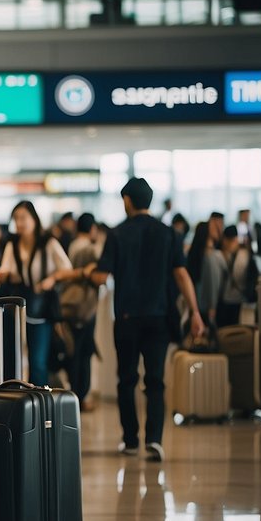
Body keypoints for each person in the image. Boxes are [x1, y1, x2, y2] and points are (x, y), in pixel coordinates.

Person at [88, 177, 204, 462]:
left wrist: (87, 274)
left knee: (126, 379)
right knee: (155, 380)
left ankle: (130, 440)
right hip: (159, 317)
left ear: (127, 200)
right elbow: (181, 274)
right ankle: (155, 440)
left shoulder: (117, 234)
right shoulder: (169, 234)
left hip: (127, 317)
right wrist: (196, 312)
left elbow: (102, 277)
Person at [0, 200, 81, 387]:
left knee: (38, 362)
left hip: (42, 308)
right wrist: (5, 275)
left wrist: (52, 279)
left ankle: (39, 406)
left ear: (34, 219)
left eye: (23, 218)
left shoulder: (48, 243)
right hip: (17, 309)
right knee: (13, 360)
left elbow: (68, 270)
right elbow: (4, 269)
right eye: (16, 218)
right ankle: (16, 403)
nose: (19, 222)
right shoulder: (13, 244)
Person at [65, 213, 102, 411]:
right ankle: (81, 396)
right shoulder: (89, 248)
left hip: (71, 303)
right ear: (92, 228)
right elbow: (98, 276)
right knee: (84, 350)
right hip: (85, 305)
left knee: (74, 350)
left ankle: (74, 394)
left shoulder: (72, 245)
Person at [186, 221, 225, 333]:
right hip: (208, 306)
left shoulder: (197, 253)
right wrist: (212, 306)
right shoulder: (210, 256)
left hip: (197, 303)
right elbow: (213, 283)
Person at [217, 232, 255, 328]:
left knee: (229, 327)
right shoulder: (239, 254)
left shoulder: (241, 256)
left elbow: (237, 276)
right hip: (236, 297)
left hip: (233, 297)